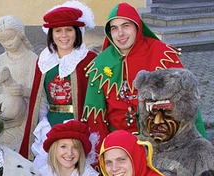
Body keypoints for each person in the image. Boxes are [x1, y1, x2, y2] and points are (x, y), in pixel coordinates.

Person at [82, 2, 193, 142]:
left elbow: (185, 102)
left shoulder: (163, 55)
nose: (120, 33)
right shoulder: (100, 64)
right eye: (114, 28)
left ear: (137, 27)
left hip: (160, 142)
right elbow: (96, 117)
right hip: (118, 145)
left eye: (126, 26)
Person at [20, 1, 97, 159]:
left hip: (79, 124)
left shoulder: (89, 59)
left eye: (69, 30)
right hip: (50, 123)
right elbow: (39, 99)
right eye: (58, 30)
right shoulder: (44, 60)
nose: (63, 35)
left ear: (77, 32)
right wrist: (39, 122)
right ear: (51, 34)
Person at [0, 15, 38, 152]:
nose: (8, 43)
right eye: (3, 41)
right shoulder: (1, 59)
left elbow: (40, 93)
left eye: (11, 38)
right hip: (1, 111)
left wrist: (24, 91)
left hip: (22, 116)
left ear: (21, 34)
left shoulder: (32, 59)